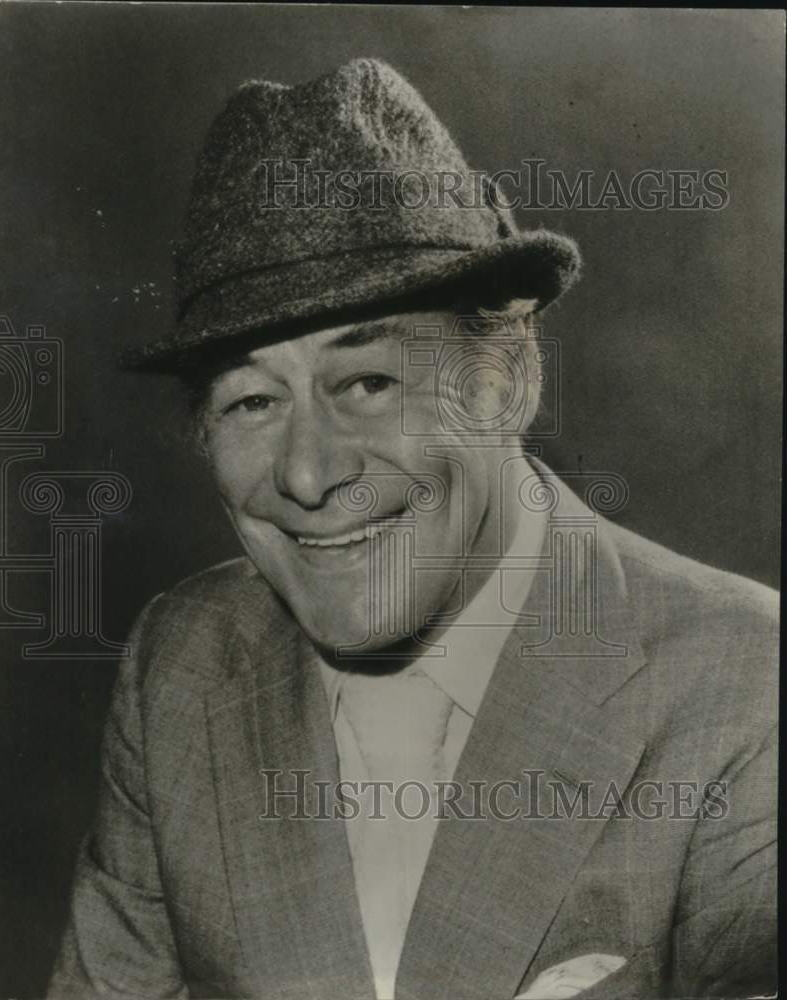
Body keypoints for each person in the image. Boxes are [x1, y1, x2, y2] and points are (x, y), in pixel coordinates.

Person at [49, 58, 777, 1000]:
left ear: (504, 381)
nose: (307, 476)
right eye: (252, 401)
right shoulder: (182, 664)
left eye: (368, 384)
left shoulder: (745, 681)